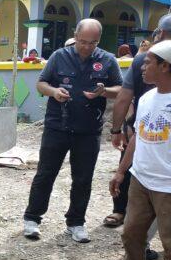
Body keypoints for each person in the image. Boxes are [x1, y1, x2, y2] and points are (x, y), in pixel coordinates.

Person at [22, 19, 122, 242]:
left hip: (89, 130)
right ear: (75, 36)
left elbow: (120, 89)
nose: (87, 47)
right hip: (57, 126)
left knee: (83, 179)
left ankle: (76, 223)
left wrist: (104, 91)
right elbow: (41, 84)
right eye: (83, 41)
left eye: (92, 43)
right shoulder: (59, 56)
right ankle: (32, 219)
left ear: (99, 40)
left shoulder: (107, 60)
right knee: (46, 174)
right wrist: (54, 92)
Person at [108, 40, 171, 260]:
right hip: (141, 180)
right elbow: (138, 137)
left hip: (168, 185)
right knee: (132, 233)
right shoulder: (146, 98)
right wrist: (122, 171)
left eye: (148, 62)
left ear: (165, 66)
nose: (142, 67)